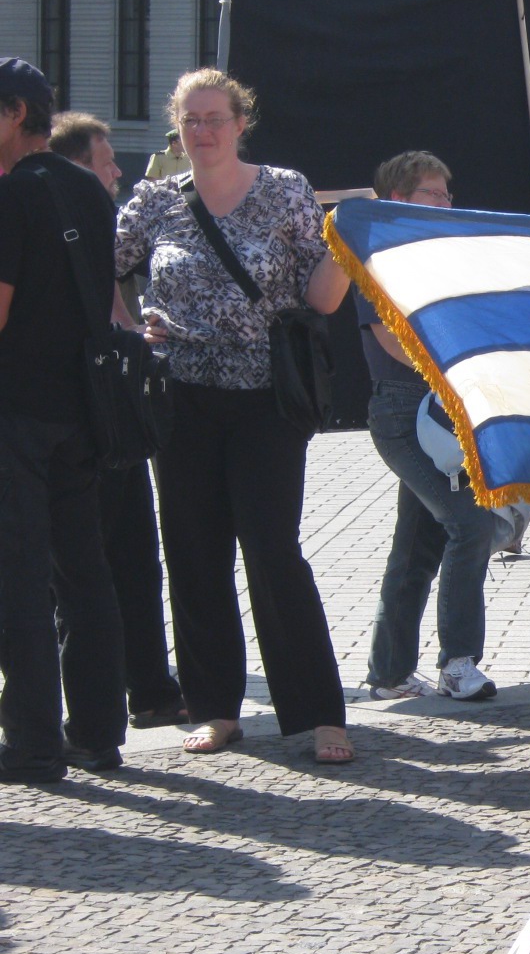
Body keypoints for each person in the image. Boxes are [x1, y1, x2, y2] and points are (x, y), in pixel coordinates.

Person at [114, 68, 355, 762]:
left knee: (273, 551)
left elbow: (323, 296)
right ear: (177, 127)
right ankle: (216, 706)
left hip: (265, 398)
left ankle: (318, 713)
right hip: (181, 394)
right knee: (193, 552)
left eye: (215, 117)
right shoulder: (154, 200)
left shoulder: (284, 190)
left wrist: (351, 247)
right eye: (191, 119)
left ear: (241, 122)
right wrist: (128, 326)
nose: (204, 131)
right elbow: (102, 267)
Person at [0, 57, 128, 781]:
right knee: (85, 573)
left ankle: (33, 745)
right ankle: (99, 732)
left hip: (16, 408)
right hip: (84, 406)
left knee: (18, 579)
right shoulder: (87, 188)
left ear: (16, 113)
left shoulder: (13, 194)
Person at [360, 151, 518, 704]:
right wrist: (454, 367)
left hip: (442, 413)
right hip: (407, 416)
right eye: (436, 193)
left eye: (448, 194)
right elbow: (386, 337)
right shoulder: (379, 256)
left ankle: (389, 672)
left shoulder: (440, 258)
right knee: (469, 527)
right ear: (402, 199)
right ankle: (458, 662)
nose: (447, 203)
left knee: (417, 546)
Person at [48, 111, 187, 730]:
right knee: (107, 564)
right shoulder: (71, 224)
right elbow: (106, 319)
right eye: (106, 162)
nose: (117, 172)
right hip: (93, 420)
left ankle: (150, 690)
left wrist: (139, 334)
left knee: (126, 559)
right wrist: (138, 339)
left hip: (101, 417)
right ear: (78, 166)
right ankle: (134, 696)